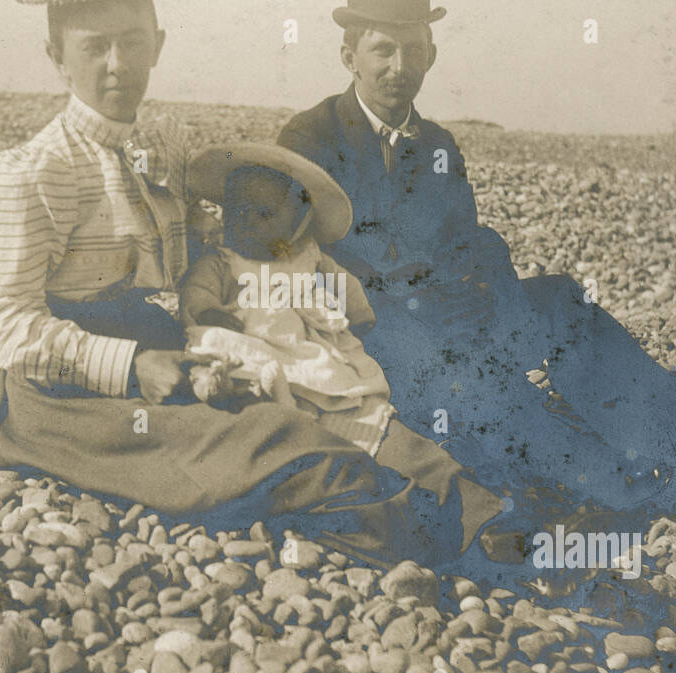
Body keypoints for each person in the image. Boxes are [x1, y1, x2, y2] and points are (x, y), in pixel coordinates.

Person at [0, 0, 518, 578]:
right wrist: (134, 367)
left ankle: (472, 509)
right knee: (279, 447)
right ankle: (435, 537)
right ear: (55, 56)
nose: (117, 66)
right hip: (63, 393)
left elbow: (203, 258)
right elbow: (2, 322)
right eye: (93, 47)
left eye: (132, 42)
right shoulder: (29, 174)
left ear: (157, 45)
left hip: (170, 347)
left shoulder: (163, 146)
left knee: (317, 404)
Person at [276, 0, 676, 530]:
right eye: (382, 50)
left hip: (450, 318)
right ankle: (632, 487)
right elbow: (304, 262)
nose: (400, 66)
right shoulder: (308, 138)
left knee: (563, 301)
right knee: (480, 380)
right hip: (370, 335)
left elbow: (465, 243)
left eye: (413, 50)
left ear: (432, 55)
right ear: (349, 56)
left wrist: (477, 293)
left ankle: (672, 444)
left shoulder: (440, 145)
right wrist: (417, 302)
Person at [177, 143, 520, 572]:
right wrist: (215, 319)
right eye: (235, 213)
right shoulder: (221, 264)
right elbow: (197, 305)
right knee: (325, 467)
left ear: (298, 223)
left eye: (263, 215)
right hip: (266, 382)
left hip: (332, 381)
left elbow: (355, 306)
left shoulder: (313, 263)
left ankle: (483, 515)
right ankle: (409, 531)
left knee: (397, 441)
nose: (245, 223)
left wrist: (344, 323)